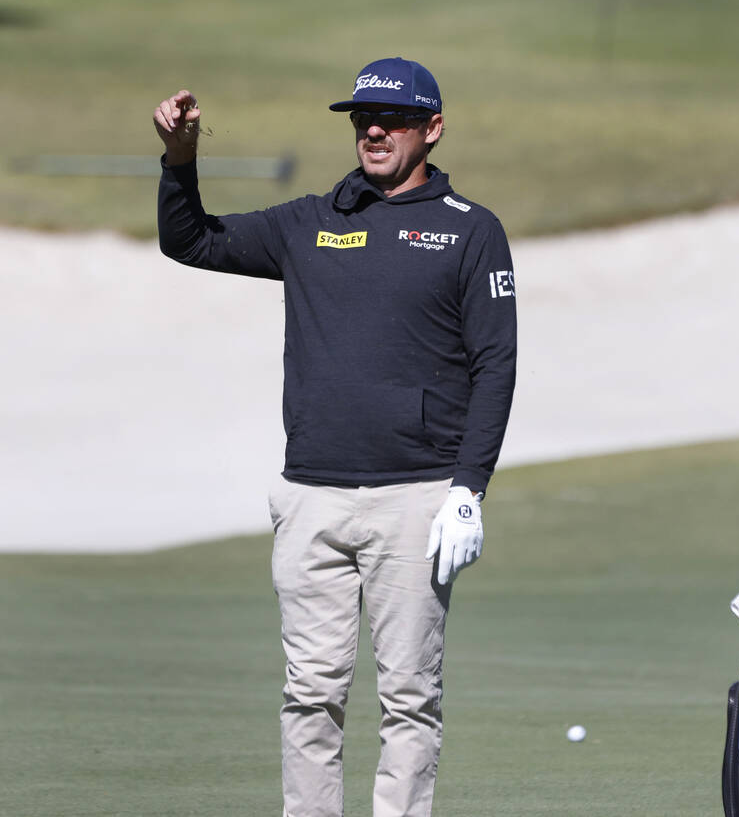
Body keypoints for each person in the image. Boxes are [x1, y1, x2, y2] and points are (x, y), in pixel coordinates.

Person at [153, 57, 517, 817]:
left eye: (391, 119)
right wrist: (180, 159)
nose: (373, 131)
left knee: (409, 698)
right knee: (308, 695)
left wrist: (467, 491)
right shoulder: (311, 222)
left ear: (433, 129)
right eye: (361, 121)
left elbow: (496, 366)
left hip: (416, 499)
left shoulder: (470, 231)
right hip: (310, 496)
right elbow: (191, 241)